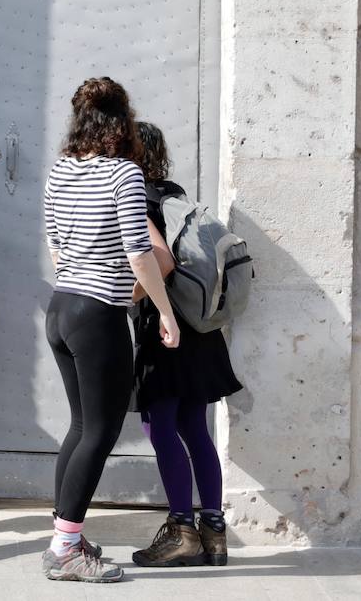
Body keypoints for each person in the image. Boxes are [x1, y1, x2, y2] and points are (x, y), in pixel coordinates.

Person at [39, 78, 180, 583]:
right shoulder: (124, 175)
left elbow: (56, 244)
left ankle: (65, 536)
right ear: (121, 122)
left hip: (61, 307)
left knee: (80, 428)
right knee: (98, 432)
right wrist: (164, 311)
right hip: (98, 312)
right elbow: (139, 252)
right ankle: (66, 551)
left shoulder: (60, 171)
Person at [129, 122, 243, 568]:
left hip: (166, 327)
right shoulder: (175, 196)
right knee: (194, 427)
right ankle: (214, 533)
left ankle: (181, 530)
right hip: (202, 329)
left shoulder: (136, 199)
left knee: (159, 427)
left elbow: (159, 263)